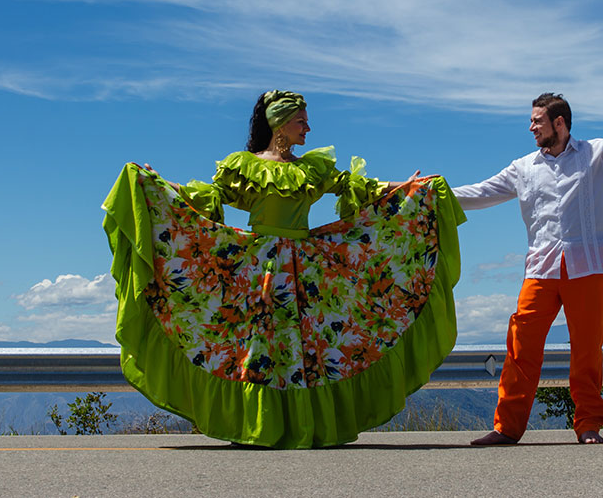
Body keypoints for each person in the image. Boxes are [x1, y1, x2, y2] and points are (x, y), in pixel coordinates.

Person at [102, 90, 465, 448]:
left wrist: (407, 187)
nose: (308, 128)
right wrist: (158, 184)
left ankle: (310, 425)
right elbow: (209, 197)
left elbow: (355, 187)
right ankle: (257, 425)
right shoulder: (245, 165)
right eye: (301, 121)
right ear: (280, 124)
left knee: (311, 345)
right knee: (261, 345)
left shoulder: (312, 167)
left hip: (304, 267)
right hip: (259, 267)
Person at [452, 72, 603, 445]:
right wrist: (423, 191)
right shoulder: (523, 168)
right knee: (521, 348)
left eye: (537, 121)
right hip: (541, 270)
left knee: (586, 351)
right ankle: (506, 429)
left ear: (559, 123)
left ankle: (588, 424)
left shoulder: (599, 154)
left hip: (589, 268)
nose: (531, 127)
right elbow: (479, 192)